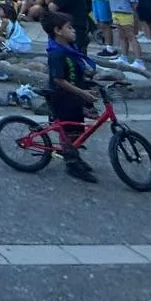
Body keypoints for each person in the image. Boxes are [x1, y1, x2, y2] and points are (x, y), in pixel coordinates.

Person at [44, 11, 99, 183]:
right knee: (68, 132)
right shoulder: (57, 53)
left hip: (73, 96)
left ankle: (75, 155)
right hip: (62, 98)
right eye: (69, 28)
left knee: (77, 129)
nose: (74, 30)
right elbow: (59, 80)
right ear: (58, 31)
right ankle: (71, 163)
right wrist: (82, 92)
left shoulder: (70, 49)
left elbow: (77, 71)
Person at [106, 0, 142, 69]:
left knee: (131, 36)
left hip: (125, 12)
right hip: (116, 11)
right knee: (121, 36)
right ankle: (124, 56)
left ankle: (139, 60)